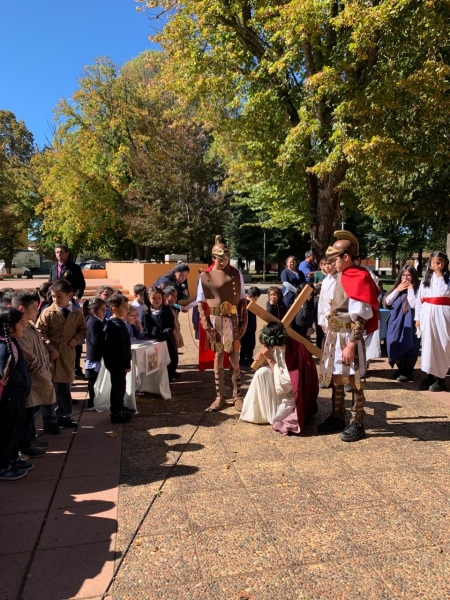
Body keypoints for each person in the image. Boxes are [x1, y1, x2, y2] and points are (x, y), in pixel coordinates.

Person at [318, 231, 379, 442]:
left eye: (334, 258)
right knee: (336, 378)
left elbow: (360, 316)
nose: (331, 262)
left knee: (354, 380)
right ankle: (338, 415)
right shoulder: (340, 276)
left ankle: (357, 422)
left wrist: (352, 344)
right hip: (335, 335)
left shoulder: (359, 277)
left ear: (345, 257)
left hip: (348, 337)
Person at [197, 235, 247, 412]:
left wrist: (244, 320)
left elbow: (242, 299)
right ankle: (220, 396)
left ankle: (237, 395)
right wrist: (206, 325)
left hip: (232, 320)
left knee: (234, 356)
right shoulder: (206, 275)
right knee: (218, 357)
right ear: (214, 258)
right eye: (221, 259)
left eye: (226, 258)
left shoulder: (236, 273)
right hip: (215, 320)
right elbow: (200, 303)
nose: (224, 262)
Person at [240, 322, 318, 434]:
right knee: (261, 373)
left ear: (275, 343)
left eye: (267, 345)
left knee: (275, 420)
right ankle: (256, 410)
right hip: (281, 385)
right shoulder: (280, 345)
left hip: (294, 394)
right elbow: (277, 367)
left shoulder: (294, 351)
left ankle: (275, 410)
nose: (265, 347)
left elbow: (288, 384)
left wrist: (269, 359)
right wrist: (263, 361)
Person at [36, 279, 87, 429]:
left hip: (67, 357)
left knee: (65, 389)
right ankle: (50, 420)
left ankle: (64, 416)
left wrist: (76, 339)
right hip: (51, 358)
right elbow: (40, 332)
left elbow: (83, 330)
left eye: (59, 296)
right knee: (51, 390)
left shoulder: (76, 313)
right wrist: (51, 349)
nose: (55, 300)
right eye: (53, 296)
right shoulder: (47, 313)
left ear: (70, 295)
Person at [11, 291, 56, 456]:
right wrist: (41, 370)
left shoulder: (30, 325)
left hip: (40, 376)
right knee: (28, 413)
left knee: (33, 411)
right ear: (22, 308)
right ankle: (25, 443)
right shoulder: (19, 329)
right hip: (33, 378)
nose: (37, 311)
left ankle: (30, 437)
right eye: (34, 308)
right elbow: (29, 356)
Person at [0, 307, 32, 481]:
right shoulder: (3, 346)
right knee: (7, 432)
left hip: (18, 397)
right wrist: (21, 381)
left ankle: (13, 459)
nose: (24, 326)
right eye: (21, 323)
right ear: (9, 326)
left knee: (16, 429)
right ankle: (3, 466)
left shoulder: (12, 341)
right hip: (9, 398)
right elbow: (5, 372)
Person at [415, 251, 450, 392]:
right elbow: (419, 300)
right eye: (434, 262)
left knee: (443, 343)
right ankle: (429, 375)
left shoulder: (447, 279)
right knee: (428, 344)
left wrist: (440, 274)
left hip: (443, 314)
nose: (436, 265)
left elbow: (443, 292)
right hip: (427, 312)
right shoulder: (425, 279)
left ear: (445, 263)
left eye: (439, 262)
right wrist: (417, 318)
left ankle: (441, 378)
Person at [384, 266, 420, 383]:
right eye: (403, 275)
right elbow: (387, 301)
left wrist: (410, 289)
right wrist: (397, 290)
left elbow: (414, 304)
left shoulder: (417, 290)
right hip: (395, 322)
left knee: (408, 344)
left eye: (408, 275)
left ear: (413, 276)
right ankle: (400, 368)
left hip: (410, 323)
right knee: (393, 343)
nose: (405, 278)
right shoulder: (397, 288)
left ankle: (407, 371)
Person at [102, 294, 133, 423]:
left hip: (116, 362)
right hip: (117, 363)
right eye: (124, 307)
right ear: (114, 309)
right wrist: (126, 363)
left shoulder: (119, 323)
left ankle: (120, 406)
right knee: (118, 386)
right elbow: (120, 347)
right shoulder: (115, 325)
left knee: (121, 385)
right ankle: (116, 412)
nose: (127, 310)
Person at [143, 286, 178, 382]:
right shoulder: (146, 312)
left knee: (171, 358)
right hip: (152, 341)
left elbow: (170, 326)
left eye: (159, 297)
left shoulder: (166, 310)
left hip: (166, 339)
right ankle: (155, 380)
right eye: (153, 298)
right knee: (154, 361)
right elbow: (144, 327)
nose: (157, 300)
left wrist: (163, 335)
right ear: (148, 298)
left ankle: (168, 379)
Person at [317, 258, 338, 387]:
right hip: (327, 320)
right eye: (324, 264)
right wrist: (322, 321)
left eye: (330, 263)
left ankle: (343, 379)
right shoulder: (325, 281)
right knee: (328, 349)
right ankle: (327, 376)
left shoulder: (341, 279)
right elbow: (322, 303)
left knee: (339, 350)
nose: (327, 266)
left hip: (340, 319)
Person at [83, 298, 107, 410]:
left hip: (96, 355)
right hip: (94, 356)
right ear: (93, 310)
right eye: (102, 309)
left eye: (104, 309)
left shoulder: (97, 321)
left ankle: (95, 400)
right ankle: (92, 402)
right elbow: (96, 340)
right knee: (93, 380)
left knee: (96, 379)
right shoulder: (93, 322)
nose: (104, 312)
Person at [240, 286, 261, 367]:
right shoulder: (244, 303)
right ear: (249, 296)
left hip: (252, 328)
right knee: (245, 343)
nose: (255, 300)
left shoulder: (252, 304)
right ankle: (242, 359)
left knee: (251, 343)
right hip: (246, 329)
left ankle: (249, 357)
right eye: (255, 298)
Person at [163, 285, 184, 350]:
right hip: (170, 334)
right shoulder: (165, 309)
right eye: (173, 296)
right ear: (166, 296)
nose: (175, 298)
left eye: (176, 296)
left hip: (176, 331)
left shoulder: (173, 306)